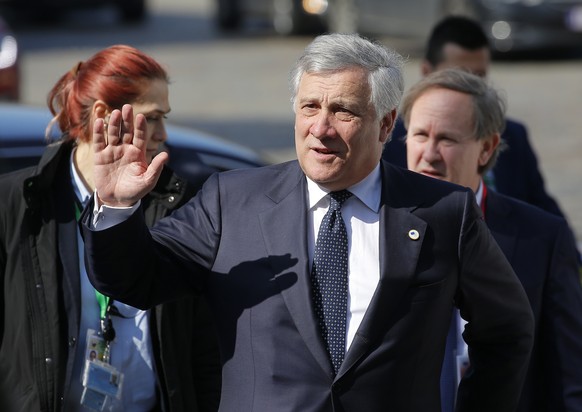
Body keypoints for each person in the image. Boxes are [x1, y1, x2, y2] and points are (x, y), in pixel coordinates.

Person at [81, 33, 534, 411]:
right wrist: (117, 208)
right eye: (309, 107)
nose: (321, 127)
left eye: (344, 111)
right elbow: (135, 281)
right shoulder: (231, 201)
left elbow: (506, 330)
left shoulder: (443, 212)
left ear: (386, 124)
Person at [0, 45, 221, 411]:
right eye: (152, 117)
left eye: (164, 117)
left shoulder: (175, 203)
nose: (163, 133)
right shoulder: (18, 204)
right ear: (104, 114)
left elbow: (204, 345)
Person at [402, 67, 582, 412]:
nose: (430, 153)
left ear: (486, 148)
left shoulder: (541, 237)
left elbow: (568, 374)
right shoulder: (370, 225)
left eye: (448, 139)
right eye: (420, 135)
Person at [382, 15, 568, 220]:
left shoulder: (513, 136)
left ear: (488, 147)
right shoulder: (384, 144)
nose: (469, 88)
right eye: (457, 76)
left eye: (478, 76)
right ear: (427, 71)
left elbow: (547, 218)